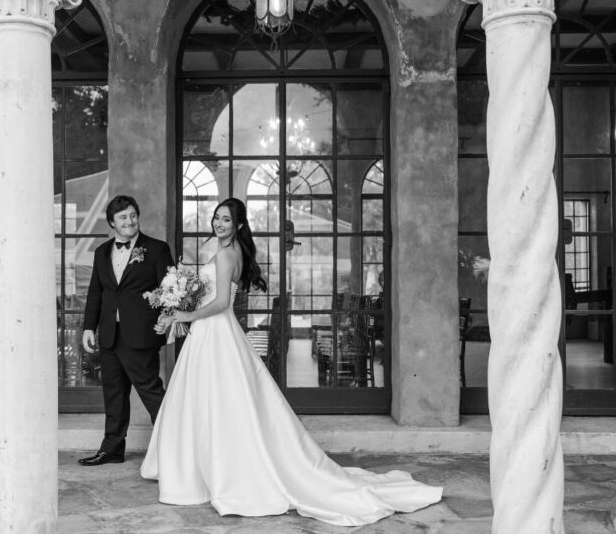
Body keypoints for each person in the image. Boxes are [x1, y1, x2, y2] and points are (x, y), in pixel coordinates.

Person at [141, 198, 442, 526]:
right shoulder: (228, 252)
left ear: (239, 225)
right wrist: (181, 307)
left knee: (217, 399)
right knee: (211, 399)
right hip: (210, 331)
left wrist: (185, 312)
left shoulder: (227, 255)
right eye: (216, 218)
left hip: (216, 331)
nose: (218, 223)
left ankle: (212, 472)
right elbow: (211, 297)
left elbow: (222, 302)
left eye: (226, 219)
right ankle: (201, 467)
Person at [79, 195, 174, 466]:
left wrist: (166, 320)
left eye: (133, 215)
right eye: (123, 217)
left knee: (151, 392)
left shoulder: (156, 249)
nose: (130, 220)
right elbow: (96, 292)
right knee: (114, 394)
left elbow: (169, 290)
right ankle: (112, 449)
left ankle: (174, 443)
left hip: (141, 334)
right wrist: (89, 327)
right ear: (112, 223)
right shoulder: (101, 252)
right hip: (109, 334)